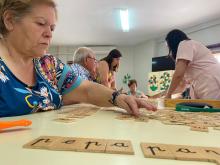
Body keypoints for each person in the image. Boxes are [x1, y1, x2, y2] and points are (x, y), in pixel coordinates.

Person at [0, 0, 156, 117]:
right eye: (41, 23)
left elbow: (86, 90)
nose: (49, 34)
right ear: (10, 20)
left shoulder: (48, 65)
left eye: (52, 28)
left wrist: (118, 97)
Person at [165, 29, 220, 99]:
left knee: (212, 107)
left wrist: (168, 94)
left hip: (210, 80)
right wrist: (165, 94)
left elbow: (178, 75)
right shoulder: (189, 52)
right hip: (206, 81)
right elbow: (181, 85)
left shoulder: (185, 44)